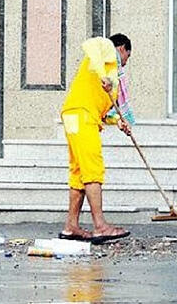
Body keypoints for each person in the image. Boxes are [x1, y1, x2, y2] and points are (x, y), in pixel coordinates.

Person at [59, 33, 133, 244]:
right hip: (82, 116)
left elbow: (104, 111)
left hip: (75, 115)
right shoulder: (105, 47)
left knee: (79, 171)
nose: (125, 63)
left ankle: (71, 226)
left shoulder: (111, 75)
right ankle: (100, 226)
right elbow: (89, 44)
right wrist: (103, 75)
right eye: (127, 57)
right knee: (93, 169)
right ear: (122, 48)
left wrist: (118, 122)